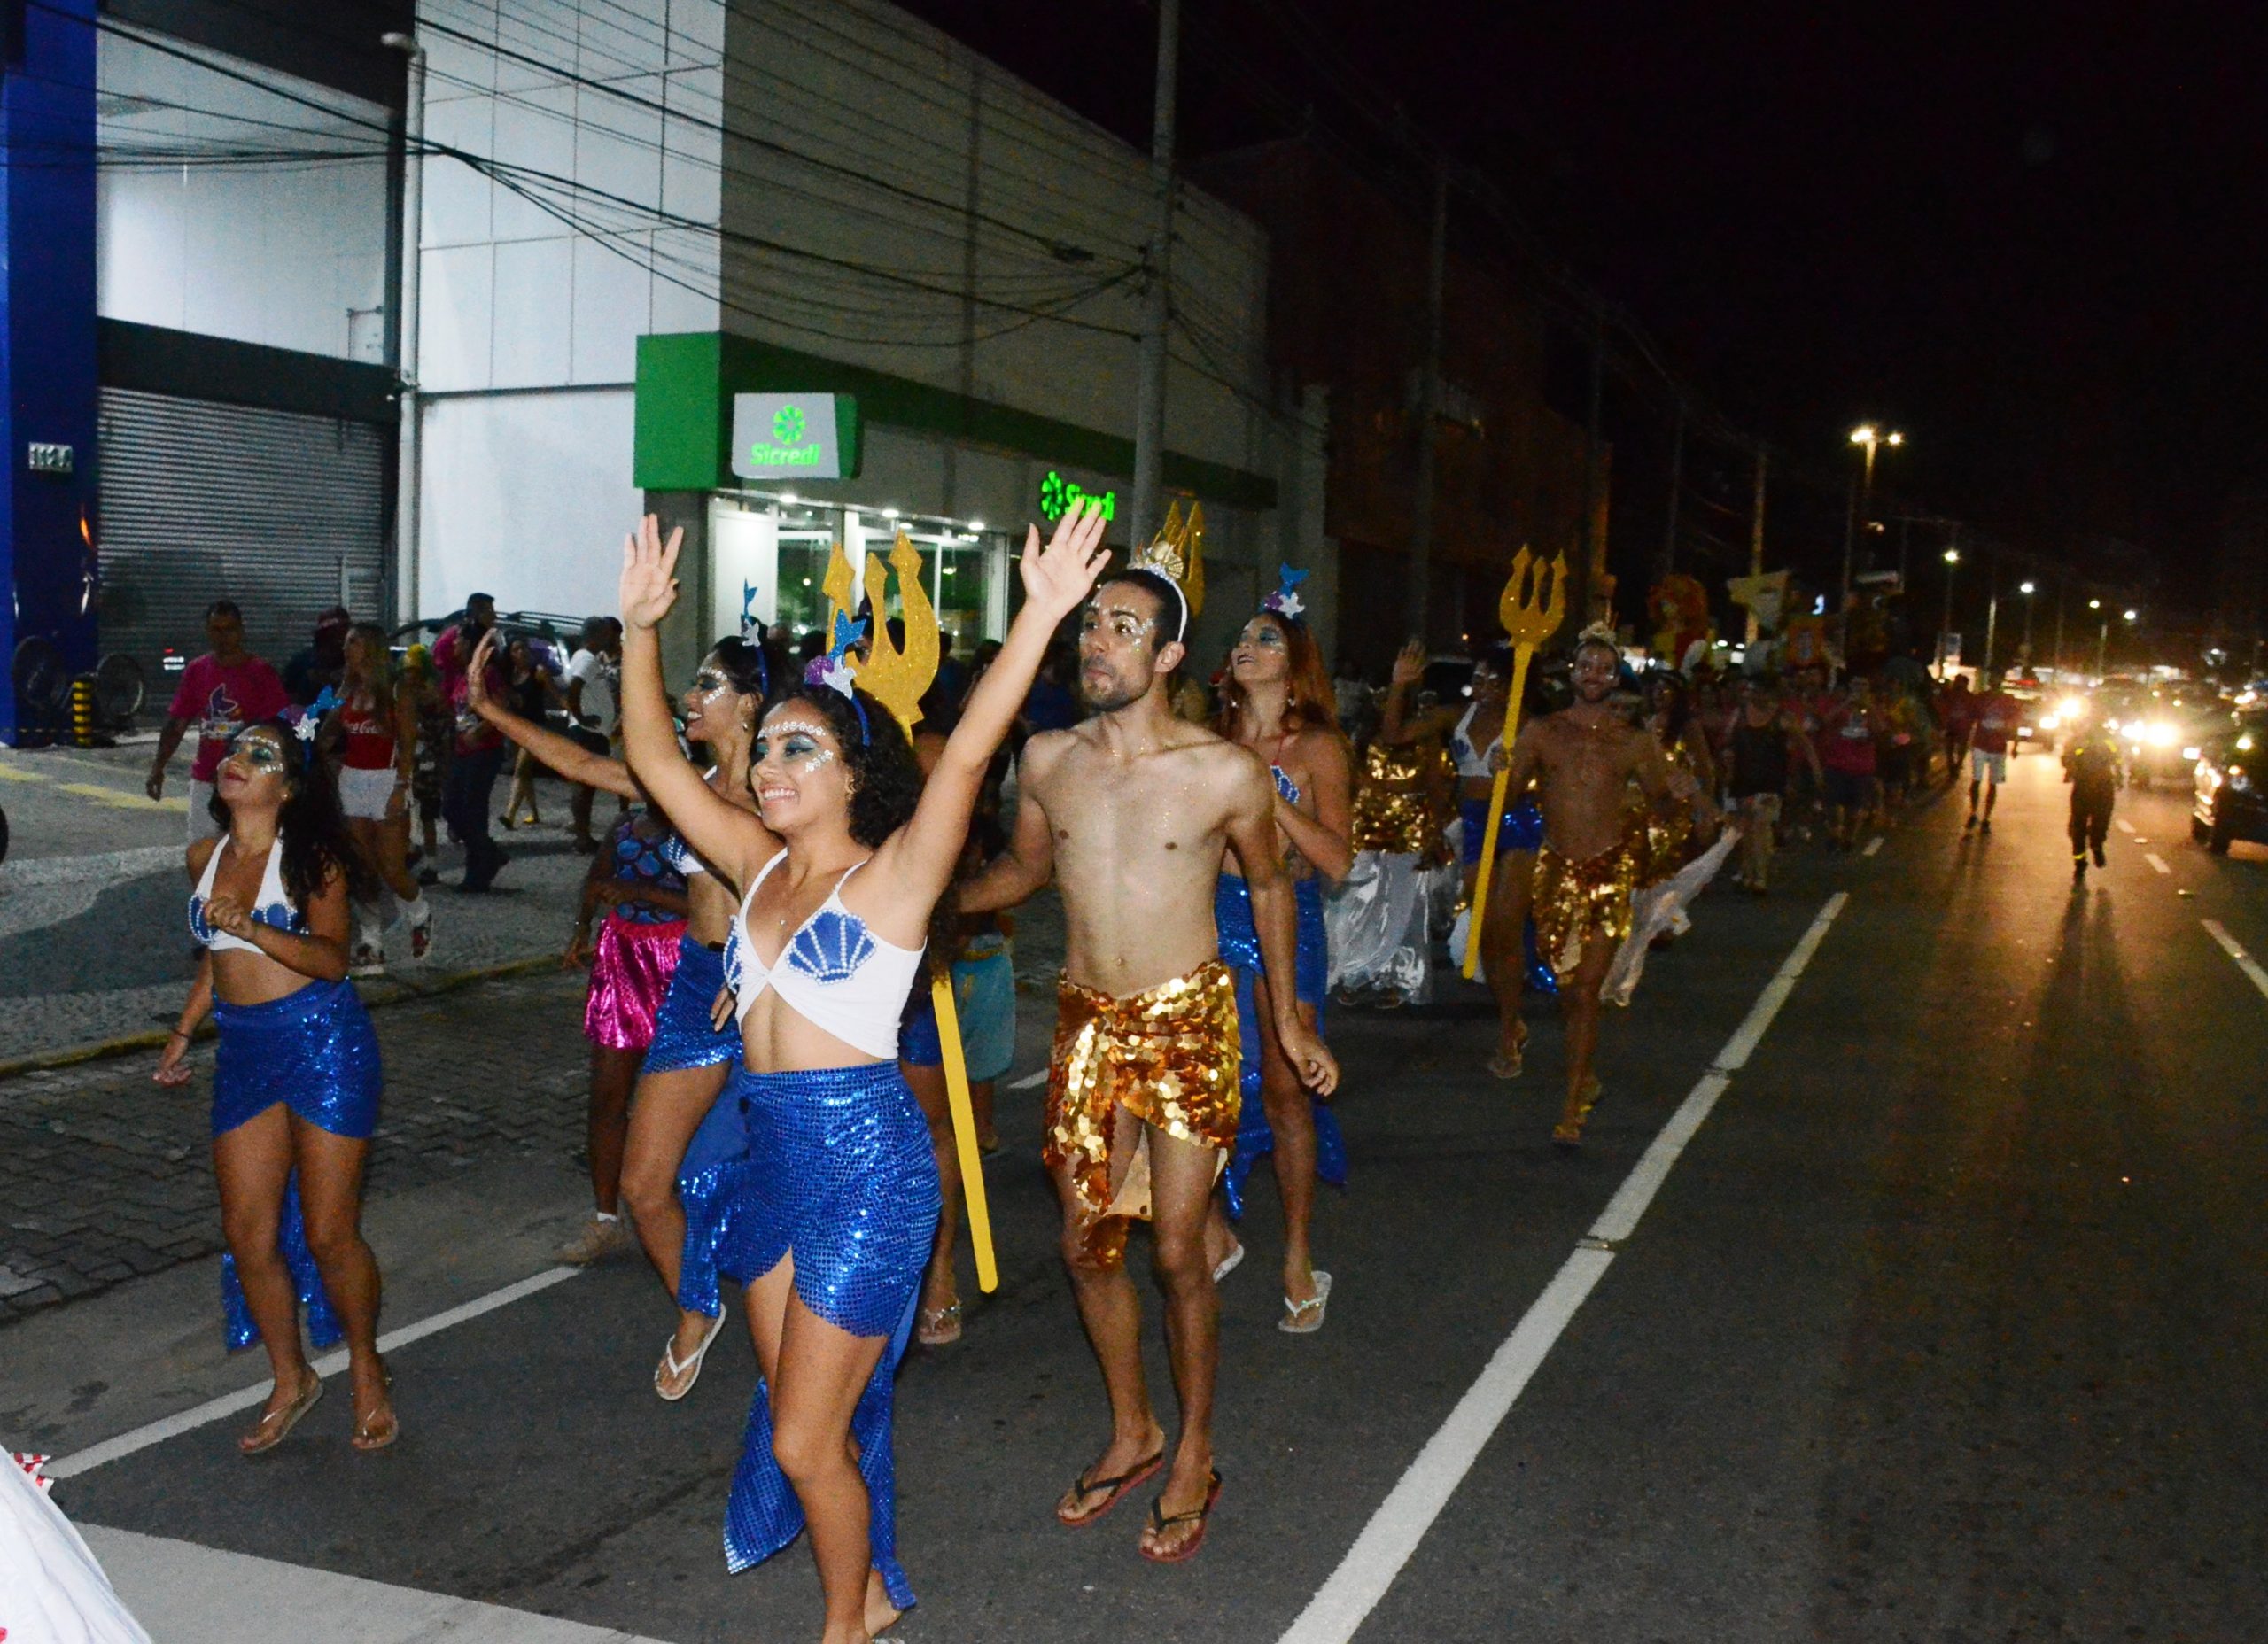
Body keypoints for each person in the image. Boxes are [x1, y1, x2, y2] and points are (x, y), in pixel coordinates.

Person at [617, 501, 1111, 1640]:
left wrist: (1038, 614)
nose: (773, 761)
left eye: (802, 746)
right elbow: (651, 757)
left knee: (800, 1435)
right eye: (769, 742)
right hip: (772, 1161)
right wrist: (640, 627)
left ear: (852, 776)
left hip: (869, 1173)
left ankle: (849, 1621)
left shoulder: (890, 878)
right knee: (814, 1416)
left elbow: (975, 751)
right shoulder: (753, 866)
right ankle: (872, 1580)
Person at [959, 523, 1339, 1564]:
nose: (1097, 642)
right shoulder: (1045, 758)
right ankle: (1133, 1428)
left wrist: (1288, 1018)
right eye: (1089, 623)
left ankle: (1196, 1449)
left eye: (1122, 627)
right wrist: (932, 905)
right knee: (1085, 1243)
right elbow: (1026, 874)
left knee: (1176, 1245)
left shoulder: (1222, 771)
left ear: (1168, 658)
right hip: (1086, 1020)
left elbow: (1268, 882)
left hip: (1186, 1020)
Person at [466, 629, 769, 1398]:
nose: (692, 700)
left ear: (751, 706)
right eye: (691, 685)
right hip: (696, 988)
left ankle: (826, 1333)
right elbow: (585, 763)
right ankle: (697, 1309)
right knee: (645, 1184)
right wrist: (490, 710)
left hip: (774, 997)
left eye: (710, 687)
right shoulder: (686, 782)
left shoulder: (784, 793)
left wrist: (766, 964)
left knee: (780, 1182)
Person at [151, 717, 396, 1453]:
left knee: (328, 1231)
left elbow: (332, 960)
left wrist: (257, 928)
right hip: (248, 1054)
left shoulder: (312, 862)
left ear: (285, 788)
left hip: (324, 1043)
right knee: (247, 1233)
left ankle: (364, 1368)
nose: (236, 762)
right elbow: (215, 958)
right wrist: (182, 1032)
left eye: (259, 756)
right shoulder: (204, 854)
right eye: (233, 751)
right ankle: (291, 1378)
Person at [1201, 570, 1353, 1332]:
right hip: (1211, 919)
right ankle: (1213, 1230)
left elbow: (1337, 862)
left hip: (1288, 918)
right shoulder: (1210, 740)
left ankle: (1297, 1252)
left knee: (1287, 1091)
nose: (1246, 646)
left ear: (1293, 667)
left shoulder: (1318, 747)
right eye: (1241, 639)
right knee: (1203, 1088)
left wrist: (1272, 799)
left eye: (1265, 638)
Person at [1498, 625, 1714, 1147]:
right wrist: (1503, 771)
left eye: (1604, 667)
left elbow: (1661, 804)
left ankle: (1571, 1107)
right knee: (1569, 992)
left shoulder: (1636, 741)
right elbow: (1509, 800)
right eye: (1585, 666)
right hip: (1556, 875)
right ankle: (1585, 1072)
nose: (1594, 675)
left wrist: (1678, 794)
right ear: (1572, 673)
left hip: (1609, 874)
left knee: (1588, 992)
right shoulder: (1541, 731)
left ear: (1617, 678)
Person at [1380, 638, 1546, 1078]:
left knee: (1506, 930)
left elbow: (1552, 781)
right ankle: (1514, 1018)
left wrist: (1521, 770)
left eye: (1496, 678)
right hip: (1474, 826)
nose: (1485, 685)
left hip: (1519, 827)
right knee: (1487, 934)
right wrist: (1399, 687)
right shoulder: (1457, 716)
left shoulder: (1530, 725)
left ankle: (1508, 1032)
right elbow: (1392, 736)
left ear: (1516, 686)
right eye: (1479, 677)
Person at [330, 623, 434, 976]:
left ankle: (419, 914)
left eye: (354, 642)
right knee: (362, 869)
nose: (347, 648)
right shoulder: (347, 687)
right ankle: (371, 943)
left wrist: (402, 787)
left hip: (387, 778)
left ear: (371, 646)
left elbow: (406, 742)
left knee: (391, 867)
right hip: (353, 780)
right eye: (345, 643)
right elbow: (327, 731)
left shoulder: (396, 688)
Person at [145, 601, 291, 844]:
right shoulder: (197, 671)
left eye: (229, 629)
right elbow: (177, 724)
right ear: (207, 631)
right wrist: (157, 768)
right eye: (216, 629)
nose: (223, 637)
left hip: (248, 779)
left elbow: (278, 729)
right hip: (206, 780)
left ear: (241, 631)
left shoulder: (261, 673)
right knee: (200, 851)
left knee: (247, 850)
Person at [436, 595, 510, 889]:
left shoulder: (486, 675)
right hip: (462, 750)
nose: (454, 645)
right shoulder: (461, 676)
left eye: (459, 642)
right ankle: (488, 853)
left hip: (483, 750)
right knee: (453, 809)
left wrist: (478, 732)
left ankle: (478, 870)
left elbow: (501, 710)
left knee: (472, 810)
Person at [1722, 676, 1821, 894]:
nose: (1755, 696)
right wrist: (1727, 757)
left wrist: (1815, 771)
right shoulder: (1740, 715)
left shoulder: (1782, 718)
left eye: (1760, 691)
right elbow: (1727, 741)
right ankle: (1748, 871)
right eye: (1752, 691)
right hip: (1742, 780)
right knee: (1745, 829)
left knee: (1761, 825)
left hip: (1771, 782)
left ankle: (1760, 876)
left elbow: (1806, 745)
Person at [565, 616, 625, 851]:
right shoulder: (588, 659)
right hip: (589, 731)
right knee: (584, 785)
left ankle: (583, 834)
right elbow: (574, 688)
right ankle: (582, 836)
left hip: (596, 730)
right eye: (604, 633)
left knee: (585, 785)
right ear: (596, 635)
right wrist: (581, 717)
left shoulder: (587, 659)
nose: (608, 638)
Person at [400, 644, 452, 885]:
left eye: (412, 670)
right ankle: (412, 851)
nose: (408, 675)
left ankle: (431, 864)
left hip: (427, 763)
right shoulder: (408, 694)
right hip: (413, 761)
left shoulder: (432, 697)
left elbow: (439, 733)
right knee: (408, 811)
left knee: (427, 814)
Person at [1818, 676, 1884, 849]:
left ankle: (1849, 837)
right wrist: (1847, 703)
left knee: (1855, 807)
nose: (1859, 689)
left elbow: (1881, 730)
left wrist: (1869, 708)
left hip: (1861, 766)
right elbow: (1825, 720)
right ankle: (1834, 833)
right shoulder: (1840, 705)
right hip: (1837, 762)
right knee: (1831, 804)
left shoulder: (1873, 709)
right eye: (1856, 685)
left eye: (1863, 685)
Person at [500, 637, 558, 830]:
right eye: (516, 649)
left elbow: (555, 694)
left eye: (524, 648)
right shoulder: (511, 676)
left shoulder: (538, 672)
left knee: (519, 770)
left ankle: (510, 814)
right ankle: (534, 813)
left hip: (535, 728)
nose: (521, 653)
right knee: (525, 774)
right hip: (517, 728)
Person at [2063, 718, 2121, 879]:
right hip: (2085, 786)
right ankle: (2080, 861)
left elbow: (2117, 757)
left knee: (2096, 823)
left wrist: (2119, 775)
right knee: (2079, 826)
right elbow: (2068, 758)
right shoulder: (2078, 741)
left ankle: (2096, 846)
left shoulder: (2107, 741)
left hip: (2102, 787)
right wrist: (2071, 770)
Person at [1965, 671, 2020, 833]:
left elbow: (2015, 724)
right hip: (1981, 744)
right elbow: (1971, 718)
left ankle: (1986, 818)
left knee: (1992, 784)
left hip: (1998, 747)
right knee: (1976, 781)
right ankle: (1974, 813)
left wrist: (2015, 745)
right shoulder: (1981, 698)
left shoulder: (2009, 701)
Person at [281, 607, 352, 707]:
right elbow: (286, 698)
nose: (340, 635)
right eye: (333, 630)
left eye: (344, 629)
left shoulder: (358, 662)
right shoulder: (302, 661)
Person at [1939, 674, 1977, 786]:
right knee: (1949, 748)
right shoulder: (1950, 695)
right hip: (1951, 726)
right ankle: (1951, 766)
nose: (1957, 684)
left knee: (1961, 748)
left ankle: (1958, 763)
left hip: (1963, 728)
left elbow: (1973, 712)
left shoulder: (1970, 697)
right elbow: (1943, 707)